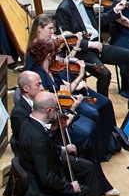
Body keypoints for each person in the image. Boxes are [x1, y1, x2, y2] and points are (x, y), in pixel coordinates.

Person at [11, 66, 119, 196]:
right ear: (26, 88)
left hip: (52, 151)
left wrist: (63, 148)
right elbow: (38, 140)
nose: (42, 87)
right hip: (42, 162)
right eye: (38, 85)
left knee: (88, 166)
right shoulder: (19, 113)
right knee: (84, 144)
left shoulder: (37, 104)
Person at [24, 33, 117, 181]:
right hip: (54, 117)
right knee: (87, 130)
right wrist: (73, 104)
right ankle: (88, 173)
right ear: (48, 55)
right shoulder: (39, 75)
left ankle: (93, 167)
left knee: (91, 123)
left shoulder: (50, 70)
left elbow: (62, 89)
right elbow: (50, 101)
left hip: (61, 111)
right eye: (55, 54)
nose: (58, 57)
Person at [55, 0, 129, 100]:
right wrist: (89, 44)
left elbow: (97, 22)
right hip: (83, 51)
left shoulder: (86, 2)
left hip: (98, 45)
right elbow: (67, 40)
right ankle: (103, 104)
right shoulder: (64, 9)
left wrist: (115, 11)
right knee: (105, 74)